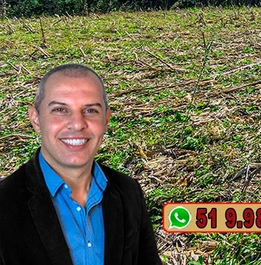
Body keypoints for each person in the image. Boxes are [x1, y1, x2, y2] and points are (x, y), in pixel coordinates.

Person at [0, 64, 162, 265]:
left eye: (90, 110)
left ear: (105, 119)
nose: (77, 124)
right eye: (60, 110)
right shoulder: (4, 202)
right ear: (36, 118)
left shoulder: (128, 192)